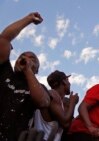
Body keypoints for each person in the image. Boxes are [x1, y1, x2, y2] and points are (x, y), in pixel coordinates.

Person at [0, 12, 51, 141]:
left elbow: (43, 102)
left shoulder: (39, 88)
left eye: (32, 58)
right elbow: (4, 39)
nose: (25, 58)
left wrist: (28, 69)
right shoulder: (5, 73)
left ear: (37, 69)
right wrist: (28, 19)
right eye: (22, 56)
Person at [33, 70, 79, 141]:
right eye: (67, 80)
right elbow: (65, 123)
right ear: (64, 81)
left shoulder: (58, 100)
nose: (69, 84)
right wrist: (73, 103)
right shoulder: (53, 94)